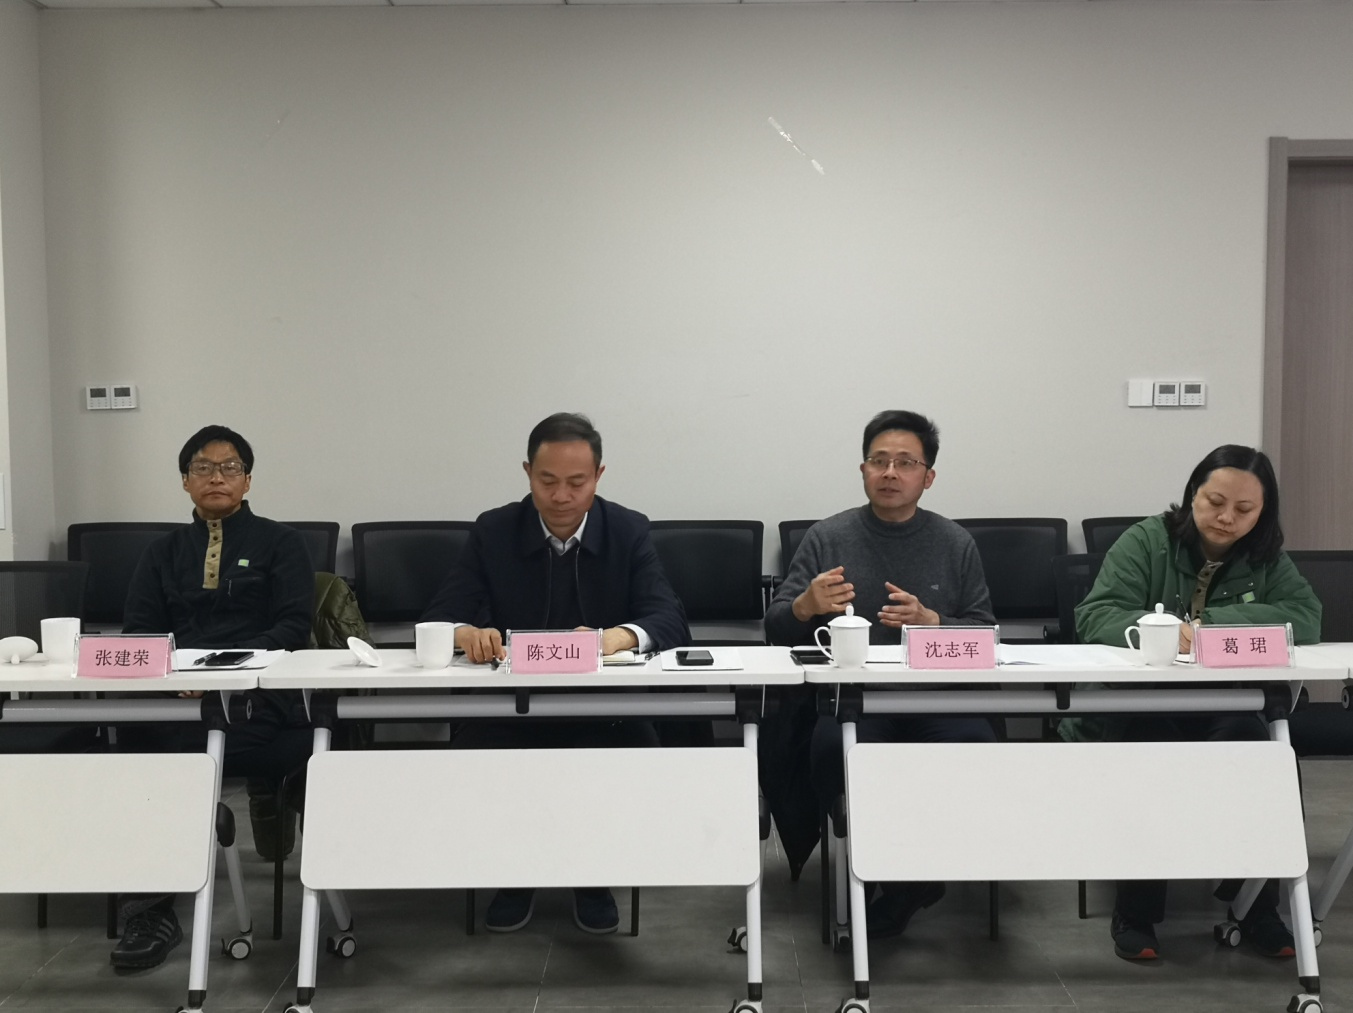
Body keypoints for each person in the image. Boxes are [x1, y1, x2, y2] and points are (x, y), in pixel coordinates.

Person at [422, 412, 688, 934]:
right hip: (510, 705)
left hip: (604, 709)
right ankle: (514, 872)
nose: (561, 496)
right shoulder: (494, 530)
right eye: (547, 481)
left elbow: (669, 618)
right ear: (527, 472)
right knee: (475, 759)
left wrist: (614, 638)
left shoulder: (628, 529)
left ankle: (592, 874)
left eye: (576, 482)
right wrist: (465, 633)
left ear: (599, 476)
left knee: (636, 755)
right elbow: (442, 614)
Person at [1074, 444, 1321, 962]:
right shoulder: (1147, 540)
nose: (1227, 518)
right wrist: (1162, 631)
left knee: (1261, 752)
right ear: (1192, 495)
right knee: (1150, 750)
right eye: (1215, 502)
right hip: (1142, 703)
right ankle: (1136, 913)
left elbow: (1305, 616)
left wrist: (1208, 628)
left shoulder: (1264, 555)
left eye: (1245, 509)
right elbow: (1096, 614)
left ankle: (1257, 907)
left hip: (1226, 702)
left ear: (1263, 513)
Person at [764, 410, 996, 938]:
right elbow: (775, 628)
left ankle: (909, 879)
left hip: (938, 700)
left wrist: (932, 623)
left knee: (972, 748)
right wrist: (804, 605)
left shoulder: (955, 542)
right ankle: (897, 878)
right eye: (879, 460)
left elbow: (984, 634)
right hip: (852, 699)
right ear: (863, 470)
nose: (890, 472)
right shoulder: (827, 537)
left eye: (906, 463)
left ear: (928, 477)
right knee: (835, 752)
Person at [113, 425, 315, 971]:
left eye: (230, 468)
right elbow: (141, 634)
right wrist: (176, 671)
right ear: (185, 481)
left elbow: (292, 627)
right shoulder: (162, 553)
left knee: (181, 760)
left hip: (259, 702)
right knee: (137, 752)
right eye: (203, 468)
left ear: (248, 480)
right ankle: (149, 911)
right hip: (178, 700)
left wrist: (223, 670)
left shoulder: (281, 543)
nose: (217, 477)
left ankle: (166, 880)